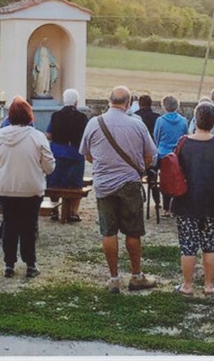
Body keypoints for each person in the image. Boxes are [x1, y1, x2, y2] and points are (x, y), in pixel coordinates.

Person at [79, 86, 158, 293]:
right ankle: (136, 276)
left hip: (104, 183)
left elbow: (86, 154)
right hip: (130, 182)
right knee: (133, 231)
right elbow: (150, 156)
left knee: (108, 231)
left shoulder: (93, 123)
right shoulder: (137, 125)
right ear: (128, 103)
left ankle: (113, 278)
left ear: (109, 100)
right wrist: (140, 168)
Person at [0, 97, 55, 278]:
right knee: (29, 226)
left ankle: (9, 264)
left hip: (5, 187)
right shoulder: (37, 137)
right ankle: (30, 264)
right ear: (29, 116)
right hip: (31, 187)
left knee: (9, 224)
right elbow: (49, 166)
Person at [172, 102, 214, 296]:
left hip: (188, 201)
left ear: (195, 119)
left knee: (188, 246)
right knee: (211, 246)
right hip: (213, 202)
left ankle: (187, 285)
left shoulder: (184, 143)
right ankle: (209, 285)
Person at [46, 89, 89, 222]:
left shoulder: (56, 116)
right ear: (76, 102)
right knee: (75, 184)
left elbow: (49, 134)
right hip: (75, 152)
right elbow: (86, 137)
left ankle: (54, 210)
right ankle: (73, 211)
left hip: (57, 151)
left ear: (64, 100)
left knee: (55, 182)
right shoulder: (82, 118)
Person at [153, 94, 188, 217]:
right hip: (178, 154)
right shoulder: (183, 120)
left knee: (164, 180)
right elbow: (185, 137)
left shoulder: (161, 121)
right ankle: (176, 206)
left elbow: (156, 138)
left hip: (163, 154)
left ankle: (166, 207)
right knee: (178, 179)